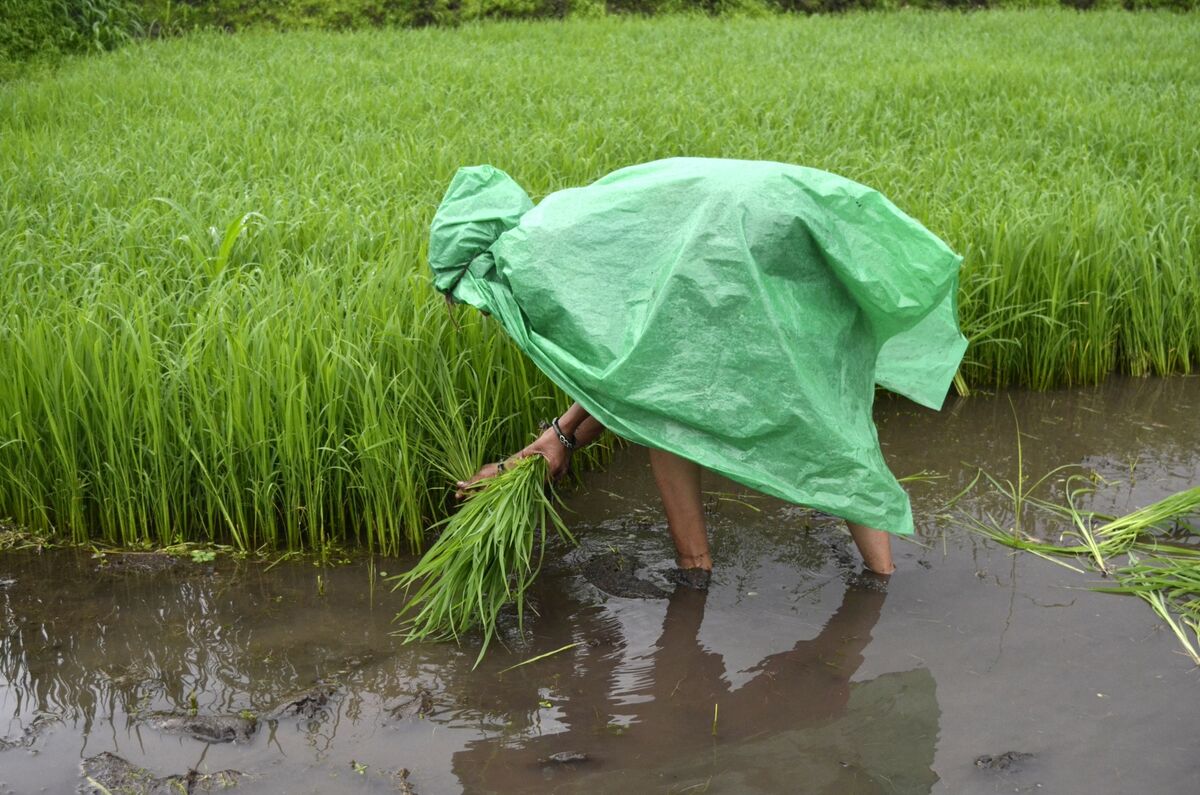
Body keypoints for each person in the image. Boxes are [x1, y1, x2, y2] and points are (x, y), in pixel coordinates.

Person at [431, 158, 967, 580]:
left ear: (473, 262)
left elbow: (629, 377)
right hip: (783, 205)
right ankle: (882, 579)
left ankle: (695, 572)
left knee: (671, 405)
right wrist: (558, 439)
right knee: (827, 403)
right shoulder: (560, 219)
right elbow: (626, 364)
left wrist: (560, 438)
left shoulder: (532, 262)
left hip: (736, 236)